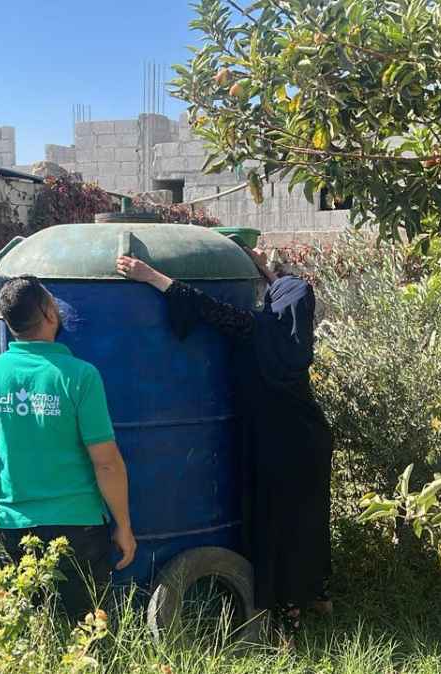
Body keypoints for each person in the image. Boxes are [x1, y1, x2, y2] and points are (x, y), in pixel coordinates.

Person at [116, 250, 333, 636]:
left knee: (273, 527)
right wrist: (266, 268)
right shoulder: (293, 341)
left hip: (273, 447)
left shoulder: (256, 329)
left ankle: (284, 619)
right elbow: (285, 293)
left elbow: (209, 309)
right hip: (310, 442)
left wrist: (151, 276)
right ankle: (314, 595)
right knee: (306, 524)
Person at [0, 275, 136, 621]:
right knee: (89, 634)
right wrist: (124, 525)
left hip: (14, 527)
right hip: (78, 527)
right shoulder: (79, 376)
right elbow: (107, 463)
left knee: (30, 630)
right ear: (49, 312)